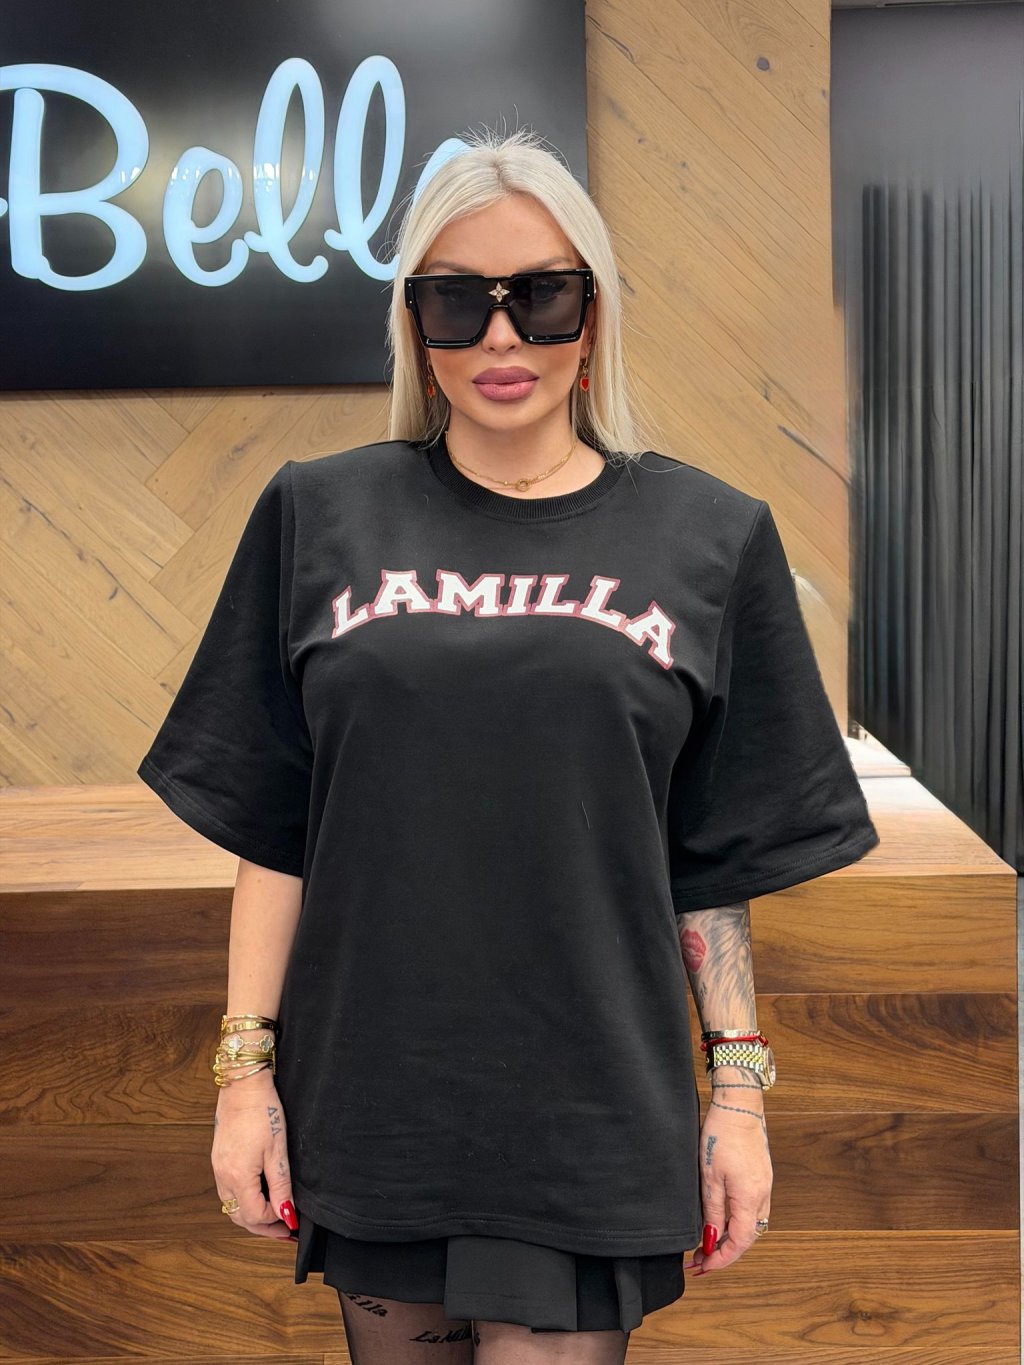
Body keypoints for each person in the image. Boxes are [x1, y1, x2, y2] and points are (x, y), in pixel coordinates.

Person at [137, 125, 880, 1364]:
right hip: (380, 1090)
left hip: (593, 1097)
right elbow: (276, 826)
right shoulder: (318, 511)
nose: (498, 337)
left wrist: (739, 1098)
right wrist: (242, 1076)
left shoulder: (710, 536)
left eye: (538, 297)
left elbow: (711, 860)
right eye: (455, 301)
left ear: (592, 320)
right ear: (413, 326)